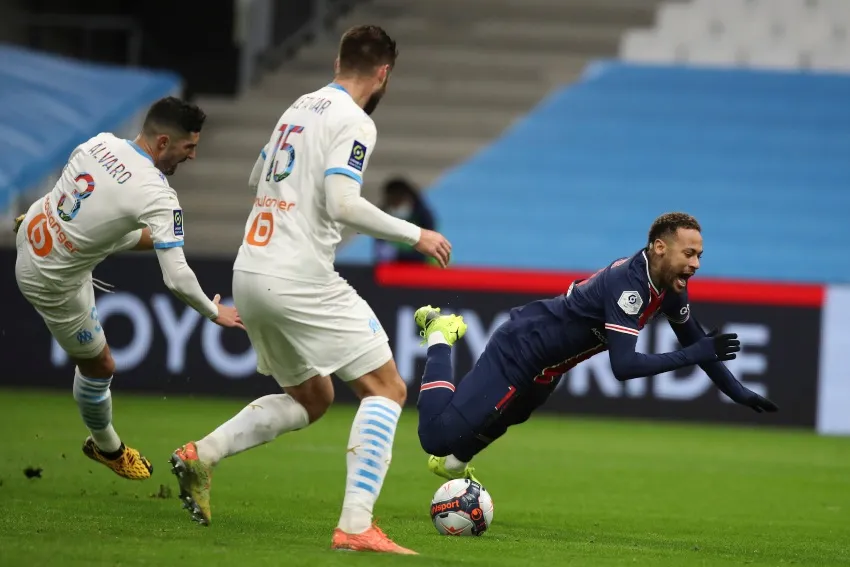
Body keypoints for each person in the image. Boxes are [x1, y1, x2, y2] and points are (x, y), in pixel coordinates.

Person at [168, 25, 450, 554]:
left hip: (250, 269)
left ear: (340, 61)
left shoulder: (299, 106)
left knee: (314, 396)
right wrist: (417, 234)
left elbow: (259, 177)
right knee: (386, 389)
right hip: (299, 276)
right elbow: (342, 203)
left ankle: (200, 455)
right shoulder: (355, 121)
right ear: (383, 73)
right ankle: (356, 526)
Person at [412, 212, 779, 483]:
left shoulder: (668, 285)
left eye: (699, 255)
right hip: (520, 348)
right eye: (689, 254)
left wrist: (737, 391)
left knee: (508, 416)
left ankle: (454, 466)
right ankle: (440, 334)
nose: (695, 264)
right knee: (436, 436)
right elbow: (625, 366)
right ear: (660, 247)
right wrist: (699, 353)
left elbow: (699, 342)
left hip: (548, 367)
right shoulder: (628, 286)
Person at [13, 97, 244, 481]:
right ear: (165, 142)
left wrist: (163, 237)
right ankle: (107, 448)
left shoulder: (100, 143)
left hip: (36, 228)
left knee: (101, 227)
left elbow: (99, 214)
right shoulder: (157, 193)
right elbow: (177, 278)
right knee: (100, 365)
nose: (194, 157)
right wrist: (212, 311)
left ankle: (28, 224)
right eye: (190, 147)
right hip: (51, 281)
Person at [373, 177, 436, 264]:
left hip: (424, 267)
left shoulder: (424, 217)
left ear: (407, 198)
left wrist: (397, 255)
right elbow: (380, 251)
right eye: (392, 203)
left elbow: (429, 251)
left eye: (398, 202)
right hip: (394, 268)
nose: (396, 206)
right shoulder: (381, 216)